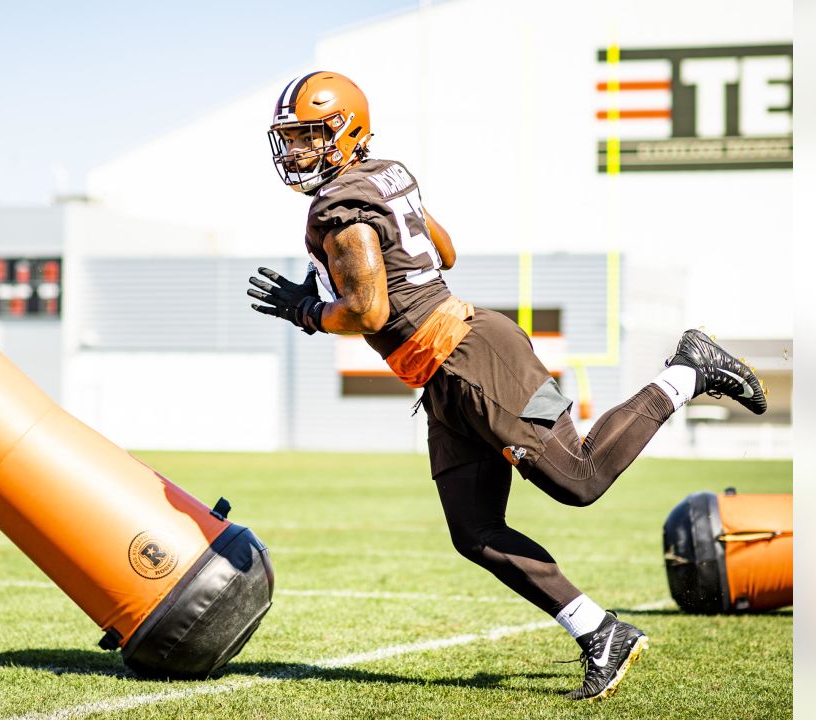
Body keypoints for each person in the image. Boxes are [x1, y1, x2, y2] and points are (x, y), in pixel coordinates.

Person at [247, 70, 767, 701]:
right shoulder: (384, 175)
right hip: (451, 372)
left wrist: (309, 310)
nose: (297, 152)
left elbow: (369, 313)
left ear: (346, 132)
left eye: (309, 137)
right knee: (474, 529)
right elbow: (445, 250)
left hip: (478, 364)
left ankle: (689, 369)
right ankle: (600, 631)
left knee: (577, 478)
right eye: (292, 138)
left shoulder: (340, 207)